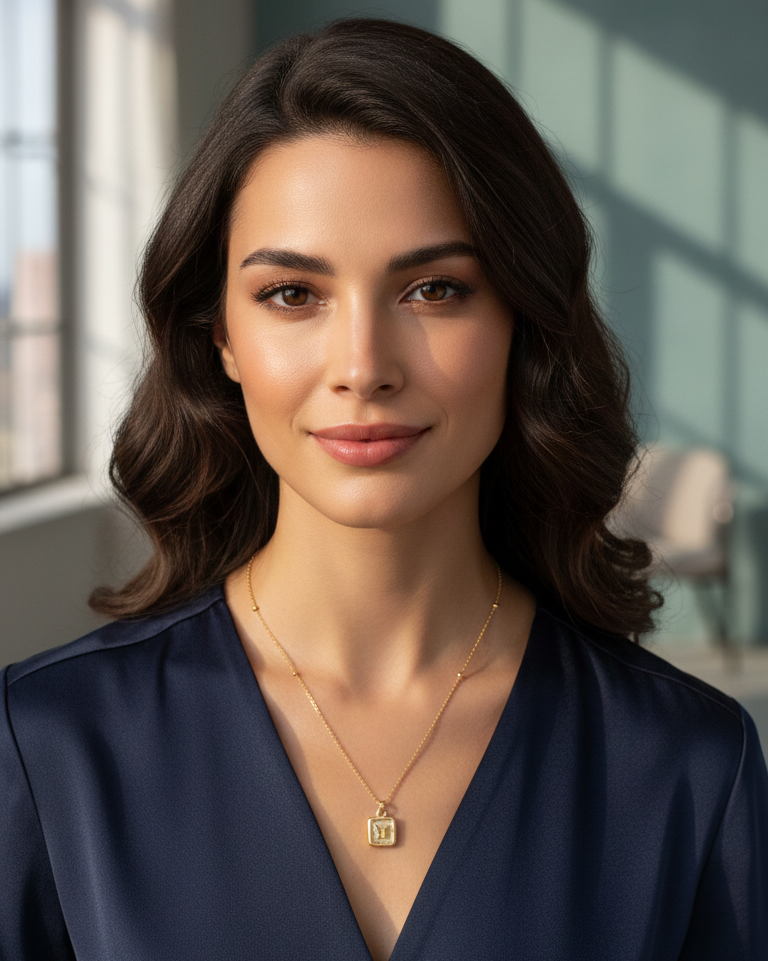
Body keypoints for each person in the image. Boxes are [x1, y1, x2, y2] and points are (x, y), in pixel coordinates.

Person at [1, 17, 766, 961]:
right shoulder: (48, 746)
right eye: (292, 294)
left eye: (435, 289)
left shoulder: (688, 765)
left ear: (525, 321)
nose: (362, 366)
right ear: (220, 338)